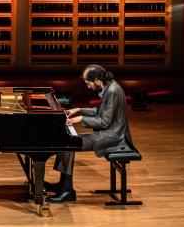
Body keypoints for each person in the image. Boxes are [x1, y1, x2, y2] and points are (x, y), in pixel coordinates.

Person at [48, 64, 133, 202]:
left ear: (97, 80)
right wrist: (79, 110)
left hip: (113, 137)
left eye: (88, 83)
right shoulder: (110, 87)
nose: (88, 87)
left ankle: (67, 190)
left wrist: (80, 119)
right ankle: (63, 185)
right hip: (110, 133)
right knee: (67, 142)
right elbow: (100, 112)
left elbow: (104, 121)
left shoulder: (112, 91)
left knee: (69, 144)